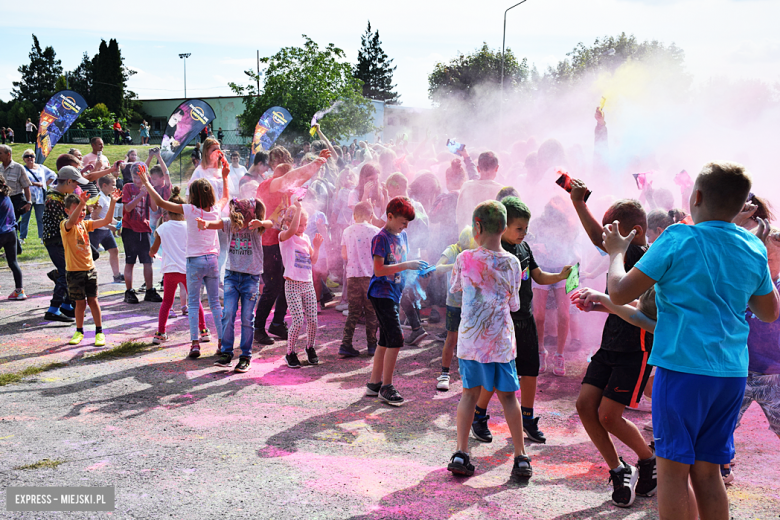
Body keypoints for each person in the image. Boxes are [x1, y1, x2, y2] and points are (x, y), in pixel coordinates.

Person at [604, 161, 780, 519]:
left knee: (672, 472)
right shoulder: (752, 246)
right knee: (708, 472)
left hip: (683, 371)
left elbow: (620, 292)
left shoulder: (676, 238)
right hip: (730, 376)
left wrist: (615, 253)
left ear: (695, 196)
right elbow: (769, 312)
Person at [569, 178, 657, 508]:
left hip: (636, 348)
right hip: (611, 344)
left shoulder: (639, 252)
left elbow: (596, 237)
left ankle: (648, 460)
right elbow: (619, 304)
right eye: (607, 231)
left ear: (634, 230)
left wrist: (579, 203)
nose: (606, 237)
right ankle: (619, 468)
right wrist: (598, 304)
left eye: (612, 230)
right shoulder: (625, 252)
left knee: (608, 415)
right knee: (584, 406)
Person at [467, 196, 571, 444]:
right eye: (519, 228)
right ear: (502, 227)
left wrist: (560, 275)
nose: (524, 233)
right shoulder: (495, 253)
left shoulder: (525, 249)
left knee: (530, 371)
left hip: (526, 320)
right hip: (502, 323)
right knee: (496, 374)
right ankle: (479, 416)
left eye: (526, 228)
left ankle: (528, 418)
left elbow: (538, 276)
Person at [446, 200, 532, 480]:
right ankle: (520, 457)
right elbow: (515, 305)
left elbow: (455, 288)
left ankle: (461, 452)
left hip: (471, 341)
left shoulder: (464, 258)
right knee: (509, 397)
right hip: (501, 343)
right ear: (504, 227)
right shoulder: (512, 262)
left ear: (477, 227)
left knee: (469, 394)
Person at [138, 158, 230, 359]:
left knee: (193, 301)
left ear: (193, 196)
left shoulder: (190, 210)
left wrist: (146, 183)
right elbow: (226, 197)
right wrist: (225, 177)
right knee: (214, 303)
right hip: (212, 261)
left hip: (194, 262)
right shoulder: (215, 210)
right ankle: (222, 342)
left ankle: (195, 343)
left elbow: (162, 203)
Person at [253, 147, 331, 345]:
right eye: (288, 177)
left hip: (284, 243)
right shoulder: (267, 185)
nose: (291, 182)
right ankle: (258, 329)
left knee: (287, 282)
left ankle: (277, 323)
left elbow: (301, 178)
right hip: (268, 243)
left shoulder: (287, 191)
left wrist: (317, 165)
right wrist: (316, 162)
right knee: (272, 286)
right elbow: (296, 175)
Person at [199, 199, 272, 372]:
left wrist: (261, 222)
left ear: (251, 214)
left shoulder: (256, 226)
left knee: (247, 318)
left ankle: (245, 356)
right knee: (228, 314)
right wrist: (205, 223)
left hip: (251, 278)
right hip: (232, 275)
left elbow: (269, 223)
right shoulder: (230, 224)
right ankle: (226, 353)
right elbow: (216, 223)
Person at [365, 196, 423, 406]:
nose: (405, 226)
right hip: (381, 293)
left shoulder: (403, 235)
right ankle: (386, 386)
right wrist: (407, 265)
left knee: (385, 339)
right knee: (396, 339)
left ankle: (374, 383)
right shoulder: (380, 238)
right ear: (390, 216)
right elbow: (379, 270)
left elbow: (401, 265)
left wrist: (417, 273)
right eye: (402, 222)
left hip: (393, 292)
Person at [60, 188, 120, 347]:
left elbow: (106, 221)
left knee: (93, 301)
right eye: (77, 209)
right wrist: (81, 203)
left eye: (83, 209)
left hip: (90, 271)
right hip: (74, 272)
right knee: (80, 303)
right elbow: (71, 221)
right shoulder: (65, 225)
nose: (81, 212)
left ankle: (99, 332)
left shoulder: (85, 225)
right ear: (67, 211)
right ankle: (79, 331)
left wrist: (113, 202)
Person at [149, 187, 207, 346]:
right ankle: (203, 331)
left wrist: (153, 253)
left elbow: (153, 250)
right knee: (195, 301)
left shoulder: (162, 228)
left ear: (168, 211)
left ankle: (160, 333)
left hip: (170, 271)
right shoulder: (190, 226)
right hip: (187, 270)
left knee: (166, 302)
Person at [279, 199, 325, 368]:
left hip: (307, 285)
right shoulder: (285, 236)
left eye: (305, 224)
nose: (303, 228)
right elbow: (291, 230)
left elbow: (312, 260)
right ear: (288, 222)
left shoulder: (305, 237)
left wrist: (317, 247)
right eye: (300, 224)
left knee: (313, 320)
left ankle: (310, 347)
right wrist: (298, 208)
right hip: (292, 285)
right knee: (298, 321)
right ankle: (290, 352)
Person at [42, 164, 88, 322]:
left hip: (64, 240)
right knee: (66, 273)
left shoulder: (62, 197)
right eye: (75, 183)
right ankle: (53, 309)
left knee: (87, 259)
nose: (77, 186)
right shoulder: (53, 199)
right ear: (68, 181)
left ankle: (67, 305)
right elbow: (65, 223)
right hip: (55, 241)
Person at [434, 227, 475, 391]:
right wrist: (458, 263)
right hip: (454, 304)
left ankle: (468, 372)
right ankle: (444, 374)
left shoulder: (477, 251)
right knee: (451, 338)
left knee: (470, 339)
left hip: (471, 304)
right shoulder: (452, 250)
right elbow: (437, 268)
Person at [339, 201, 380, 358]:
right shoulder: (376, 231)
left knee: (353, 312)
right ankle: (371, 345)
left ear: (354, 216)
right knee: (371, 312)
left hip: (352, 276)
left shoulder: (347, 231)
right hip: (370, 277)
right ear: (370, 216)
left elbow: (344, 255)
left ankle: (346, 344)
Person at [121, 162, 163, 304]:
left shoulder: (147, 187)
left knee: (147, 261)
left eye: (140, 178)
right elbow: (127, 208)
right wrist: (140, 194)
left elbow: (154, 207)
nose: (137, 181)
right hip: (130, 229)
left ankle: (149, 290)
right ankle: (129, 291)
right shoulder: (128, 187)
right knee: (130, 261)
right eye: (135, 177)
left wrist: (149, 191)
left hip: (144, 229)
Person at [455, 151, 503, 233]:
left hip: (467, 239)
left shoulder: (466, 186)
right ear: (497, 168)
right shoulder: (501, 191)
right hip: (489, 242)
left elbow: (459, 217)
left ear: (478, 168)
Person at [19, 149, 55, 243]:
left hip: (40, 197)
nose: (30, 158)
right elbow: (20, 182)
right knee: (25, 218)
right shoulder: (22, 169)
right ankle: (22, 237)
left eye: (32, 156)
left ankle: (42, 237)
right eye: (27, 156)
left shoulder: (41, 168)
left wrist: (45, 184)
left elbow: (53, 175)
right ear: (24, 159)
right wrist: (35, 184)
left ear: (35, 158)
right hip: (27, 197)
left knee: (41, 218)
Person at [91, 176, 123, 283]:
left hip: (106, 231)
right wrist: (109, 226)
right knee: (91, 255)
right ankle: (87, 275)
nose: (115, 187)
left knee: (114, 250)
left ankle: (117, 275)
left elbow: (108, 217)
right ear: (104, 185)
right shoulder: (100, 199)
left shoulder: (108, 198)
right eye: (113, 185)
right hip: (97, 231)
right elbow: (94, 216)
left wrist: (117, 223)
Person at [0, 178, 25, 300]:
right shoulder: (6, 196)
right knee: (13, 262)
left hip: (1, 233)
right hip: (11, 233)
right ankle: (19, 291)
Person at [0, 145, 32, 225]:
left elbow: (26, 186)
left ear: (8, 154)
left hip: (15, 200)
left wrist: (28, 202)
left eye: (0, 153)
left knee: (10, 224)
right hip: (2, 200)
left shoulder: (18, 168)